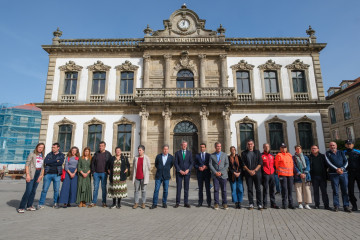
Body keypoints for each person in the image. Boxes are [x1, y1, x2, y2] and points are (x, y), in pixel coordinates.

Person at [18, 143, 45, 213]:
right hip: (31, 173)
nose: (40, 149)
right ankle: (21, 207)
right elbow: (27, 165)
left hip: (38, 173)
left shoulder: (42, 156)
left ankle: (29, 205)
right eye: (39, 147)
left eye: (42, 148)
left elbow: (43, 167)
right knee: (28, 191)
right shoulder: (32, 154)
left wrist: (41, 176)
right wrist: (27, 175)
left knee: (33, 191)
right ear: (36, 147)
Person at [325, 141, 351, 212]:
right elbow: (328, 162)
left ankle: (346, 206)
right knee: (335, 191)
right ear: (329, 147)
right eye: (331, 145)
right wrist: (337, 169)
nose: (332, 147)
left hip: (343, 173)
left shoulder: (342, 152)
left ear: (336, 146)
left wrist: (342, 168)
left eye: (333, 145)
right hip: (334, 174)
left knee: (345, 190)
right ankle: (336, 205)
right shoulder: (327, 153)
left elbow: (346, 161)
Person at [38, 143, 65, 209]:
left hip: (57, 174)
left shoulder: (61, 155)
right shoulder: (49, 154)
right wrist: (55, 161)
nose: (53, 149)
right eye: (52, 147)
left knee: (56, 190)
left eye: (54, 147)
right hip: (48, 174)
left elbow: (60, 163)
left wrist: (51, 161)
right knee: (44, 189)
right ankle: (41, 204)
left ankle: (56, 203)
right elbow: (46, 162)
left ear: (58, 148)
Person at [150, 144, 174, 209]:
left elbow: (171, 165)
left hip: (166, 176)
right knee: (156, 190)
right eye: (164, 149)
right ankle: (154, 204)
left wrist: (166, 169)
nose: (165, 150)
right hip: (159, 175)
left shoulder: (171, 157)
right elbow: (156, 164)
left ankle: (164, 203)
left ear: (168, 150)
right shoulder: (158, 156)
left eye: (166, 149)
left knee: (165, 190)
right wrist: (160, 168)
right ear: (162, 150)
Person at [89, 141, 112, 208]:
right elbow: (92, 163)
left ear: (104, 146)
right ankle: (94, 202)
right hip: (96, 173)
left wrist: (107, 171)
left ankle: (104, 202)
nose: (100, 147)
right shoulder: (96, 154)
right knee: (95, 188)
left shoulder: (108, 154)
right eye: (99, 146)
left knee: (104, 188)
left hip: (104, 174)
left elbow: (110, 163)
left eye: (102, 146)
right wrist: (93, 172)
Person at [241, 140, 263, 210]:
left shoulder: (257, 152)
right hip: (248, 174)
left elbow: (260, 163)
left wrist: (255, 170)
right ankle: (251, 204)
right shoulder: (244, 153)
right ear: (247, 145)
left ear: (253, 145)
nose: (250, 145)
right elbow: (243, 164)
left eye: (251, 144)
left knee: (258, 189)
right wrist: (249, 171)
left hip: (257, 173)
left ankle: (259, 204)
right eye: (248, 144)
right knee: (250, 189)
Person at [309, 145, 331, 210]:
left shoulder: (322, 156)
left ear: (318, 149)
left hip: (322, 177)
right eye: (312, 148)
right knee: (316, 192)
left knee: (324, 192)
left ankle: (326, 205)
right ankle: (317, 205)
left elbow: (327, 165)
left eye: (315, 148)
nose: (313, 150)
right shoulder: (309, 157)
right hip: (314, 177)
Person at [209, 142, 229, 210]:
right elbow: (210, 165)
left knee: (224, 190)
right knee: (216, 190)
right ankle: (216, 203)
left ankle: (225, 203)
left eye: (220, 146)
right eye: (217, 146)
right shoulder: (212, 155)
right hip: (215, 176)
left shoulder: (224, 155)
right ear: (215, 147)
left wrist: (221, 172)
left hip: (223, 175)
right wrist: (215, 172)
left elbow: (227, 164)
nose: (219, 147)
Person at [275, 143, 295, 209]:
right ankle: (284, 204)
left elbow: (292, 165)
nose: (284, 149)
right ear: (280, 149)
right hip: (282, 175)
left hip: (290, 175)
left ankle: (291, 204)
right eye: (282, 148)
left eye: (285, 147)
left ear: (286, 148)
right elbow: (277, 165)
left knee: (290, 189)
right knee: (284, 190)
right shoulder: (278, 155)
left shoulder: (289, 155)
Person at [174, 140, 193, 208]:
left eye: (185, 145)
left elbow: (191, 163)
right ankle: (177, 202)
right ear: (181, 145)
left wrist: (188, 169)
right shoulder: (177, 153)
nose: (184, 146)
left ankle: (186, 202)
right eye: (183, 145)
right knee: (179, 188)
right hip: (179, 173)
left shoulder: (189, 153)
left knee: (186, 188)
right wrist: (179, 170)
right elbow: (176, 163)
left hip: (187, 173)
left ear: (187, 145)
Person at [293, 145, 312, 209]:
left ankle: (307, 203)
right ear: (295, 150)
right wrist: (299, 173)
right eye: (297, 149)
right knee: (298, 189)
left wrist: (305, 172)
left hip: (306, 175)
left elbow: (308, 165)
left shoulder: (305, 157)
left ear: (301, 149)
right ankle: (300, 203)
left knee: (307, 189)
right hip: (298, 175)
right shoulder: (293, 158)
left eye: (299, 149)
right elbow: (294, 166)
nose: (298, 150)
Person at [261, 143, 280, 209]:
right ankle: (265, 204)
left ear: (269, 147)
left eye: (268, 147)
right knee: (265, 190)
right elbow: (260, 166)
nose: (267, 148)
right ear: (263, 147)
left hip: (272, 174)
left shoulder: (272, 155)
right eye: (265, 147)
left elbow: (275, 165)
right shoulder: (261, 155)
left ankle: (273, 203)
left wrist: (274, 172)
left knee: (272, 190)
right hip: (265, 174)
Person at [132, 145, 151, 209]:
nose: (139, 151)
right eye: (138, 150)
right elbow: (133, 167)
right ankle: (136, 203)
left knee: (143, 191)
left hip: (143, 178)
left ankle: (143, 203)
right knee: (136, 191)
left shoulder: (146, 158)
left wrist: (145, 172)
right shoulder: (135, 158)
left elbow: (149, 167)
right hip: (137, 177)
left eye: (140, 150)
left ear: (143, 150)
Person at [343, 139, 360, 211]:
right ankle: (354, 205)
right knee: (350, 190)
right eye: (347, 144)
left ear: (353, 144)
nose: (349, 145)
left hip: (359, 172)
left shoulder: (358, 152)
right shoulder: (343, 153)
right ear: (345, 145)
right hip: (349, 173)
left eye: (350, 143)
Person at [194, 143, 211, 208]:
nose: (202, 148)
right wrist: (198, 167)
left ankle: (209, 202)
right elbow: (194, 164)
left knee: (207, 189)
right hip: (200, 174)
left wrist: (206, 167)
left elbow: (211, 164)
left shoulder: (208, 155)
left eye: (203, 147)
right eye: (201, 147)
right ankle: (200, 202)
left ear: (205, 148)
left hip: (207, 174)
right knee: (200, 189)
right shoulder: (197, 156)